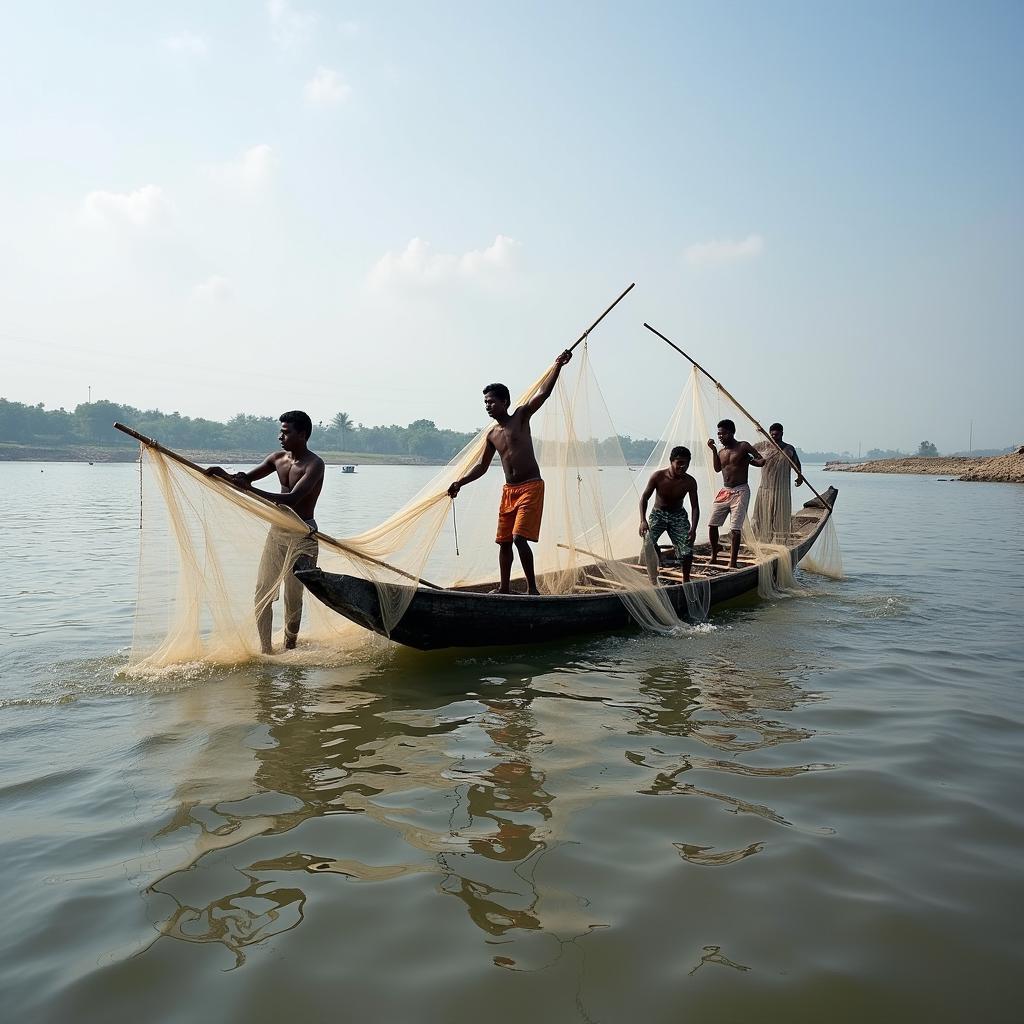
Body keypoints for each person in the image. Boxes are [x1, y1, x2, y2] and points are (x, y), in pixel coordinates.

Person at [447, 350, 573, 594]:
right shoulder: (492, 435)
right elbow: (482, 466)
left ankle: (532, 589)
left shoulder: (521, 417)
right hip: (509, 492)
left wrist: (558, 365)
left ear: (505, 402)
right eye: (485, 402)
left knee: (518, 538)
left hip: (531, 487)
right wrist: (460, 482)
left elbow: (544, 394)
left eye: (491, 401)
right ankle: (504, 587)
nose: (487, 406)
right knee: (503, 541)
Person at [207, 410, 325, 653]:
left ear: (302, 434)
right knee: (263, 592)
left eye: (286, 432)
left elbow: (292, 499)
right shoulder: (277, 459)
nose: (280, 437)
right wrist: (225, 475)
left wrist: (248, 490)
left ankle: (290, 647)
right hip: (278, 532)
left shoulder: (314, 464)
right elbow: (245, 479)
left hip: (303, 536)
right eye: (280, 431)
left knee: (293, 598)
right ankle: (266, 651)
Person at [706, 418, 765, 568]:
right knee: (712, 524)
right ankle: (714, 555)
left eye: (723, 434)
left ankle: (732, 562)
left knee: (735, 529)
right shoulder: (721, 451)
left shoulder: (743, 446)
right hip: (725, 491)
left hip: (740, 490)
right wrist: (713, 450)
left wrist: (752, 461)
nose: (720, 437)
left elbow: (761, 460)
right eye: (719, 434)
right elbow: (717, 469)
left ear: (732, 433)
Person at [638, 446, 700, 582]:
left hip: (678, 515)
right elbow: (644, 497)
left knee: (687, 549)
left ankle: (686, 579)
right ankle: (653, 578)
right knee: (648, 543)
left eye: (686, 463)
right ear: (672, 462)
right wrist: (643, 520)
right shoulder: (658, 476)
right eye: (679, 463)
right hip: (658, 514)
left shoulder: (689, 481)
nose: (682, 467)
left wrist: (693, 529)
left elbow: (695, 507)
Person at [752, 422, 803, 542]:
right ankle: (763, 540)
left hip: (781, 489)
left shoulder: (788, 448)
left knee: (780, 517)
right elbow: (748, 451)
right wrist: (760, 434)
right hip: (765, 488)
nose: (774, 437)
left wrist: (799, 476)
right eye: (772, 435)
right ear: (769, 434)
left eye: (777, 435)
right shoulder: (764, 445)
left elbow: (796, 463)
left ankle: (781, 541)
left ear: (782, 434)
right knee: (763, 516)